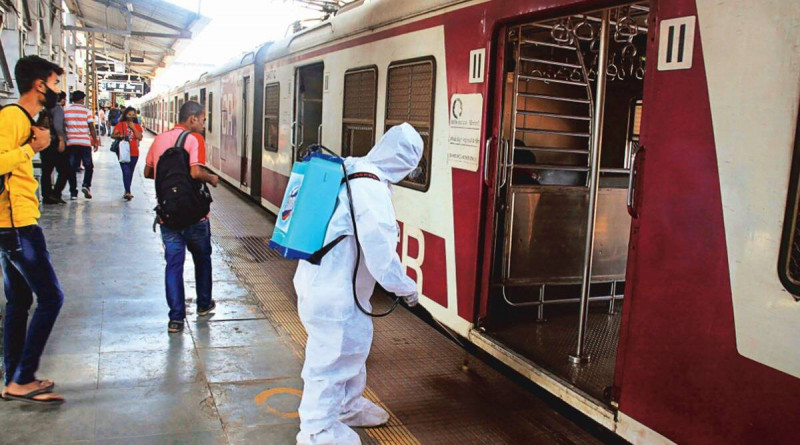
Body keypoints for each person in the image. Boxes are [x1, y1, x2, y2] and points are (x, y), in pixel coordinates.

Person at [293, 123, 422, 445]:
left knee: (352, 348)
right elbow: (381, 254)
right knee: (330, 361)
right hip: (334, 292)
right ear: (405, 163)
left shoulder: (352, 168)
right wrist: (406, 288)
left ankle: (348, 407)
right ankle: (317, 432)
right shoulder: (369, 188)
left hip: (328, 285)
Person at [0, 55, 66, 405]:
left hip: (13, 224)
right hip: (17, 226)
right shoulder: (12, 117)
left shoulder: (24, 119)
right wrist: (31, 148)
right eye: (55, 84)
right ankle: (22, 378)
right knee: (51, 297)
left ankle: (13, 377)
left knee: (20, 301)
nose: (58, 90)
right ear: (40, 85)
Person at [144, 101, 219, 333]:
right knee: (202, 259)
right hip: (195, 216)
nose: (203, 124)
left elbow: (148, 172)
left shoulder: (159, 140)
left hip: (168, 216)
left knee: (174, 265)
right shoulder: (194, 139)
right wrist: (211, 178)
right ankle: (203, 304)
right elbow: (196, 172)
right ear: (193, 118)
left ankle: (176, 319)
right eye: (203, 120)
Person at [64, 91, 98, 200]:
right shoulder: (86, 111)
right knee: (89, 166)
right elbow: (91, 127)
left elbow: (64, 127)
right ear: (82, 99)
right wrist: (95, 141)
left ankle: (73, 192)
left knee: (71, 168)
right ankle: (86, 185)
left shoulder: (66, 111)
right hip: (84, 142)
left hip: (71, 142)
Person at [41, 92, 69, 204]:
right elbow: (58, 126)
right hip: (55, 142)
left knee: (46, 171)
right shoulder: (57, 109)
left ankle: (46, 196)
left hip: (45, 142)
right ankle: (56, 194)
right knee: (64, 170)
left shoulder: (44, 109)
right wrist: (61, 140)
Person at [111, 106, 143, 200]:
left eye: (133, 115)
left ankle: (127, 190)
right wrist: (120, 136)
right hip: (123, 152)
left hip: (134, 152)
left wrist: (133, 128)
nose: (131, 116)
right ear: (125, 115)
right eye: (129, 114)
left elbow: (139, 137)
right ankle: (128, 192)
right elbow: (113, 135)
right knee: (125, 171)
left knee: (130, 172)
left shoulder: (137, 126)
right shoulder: (120, 125)